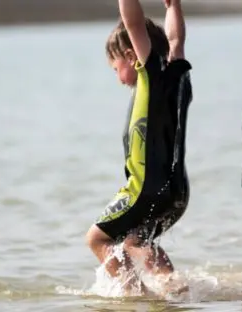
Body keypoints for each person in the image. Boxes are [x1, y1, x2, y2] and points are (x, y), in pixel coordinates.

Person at [86, 0, 192, 295]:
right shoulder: (179, 74)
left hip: (146, 187)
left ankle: (136, 295)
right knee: (137, 242)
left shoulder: (151, 76)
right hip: (177, 192)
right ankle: (176, 287)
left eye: (116, 67)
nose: (117, 77)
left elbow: (133, 22)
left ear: (132, 57)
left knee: (97, 239)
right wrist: (173, 6)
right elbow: (176, 40)